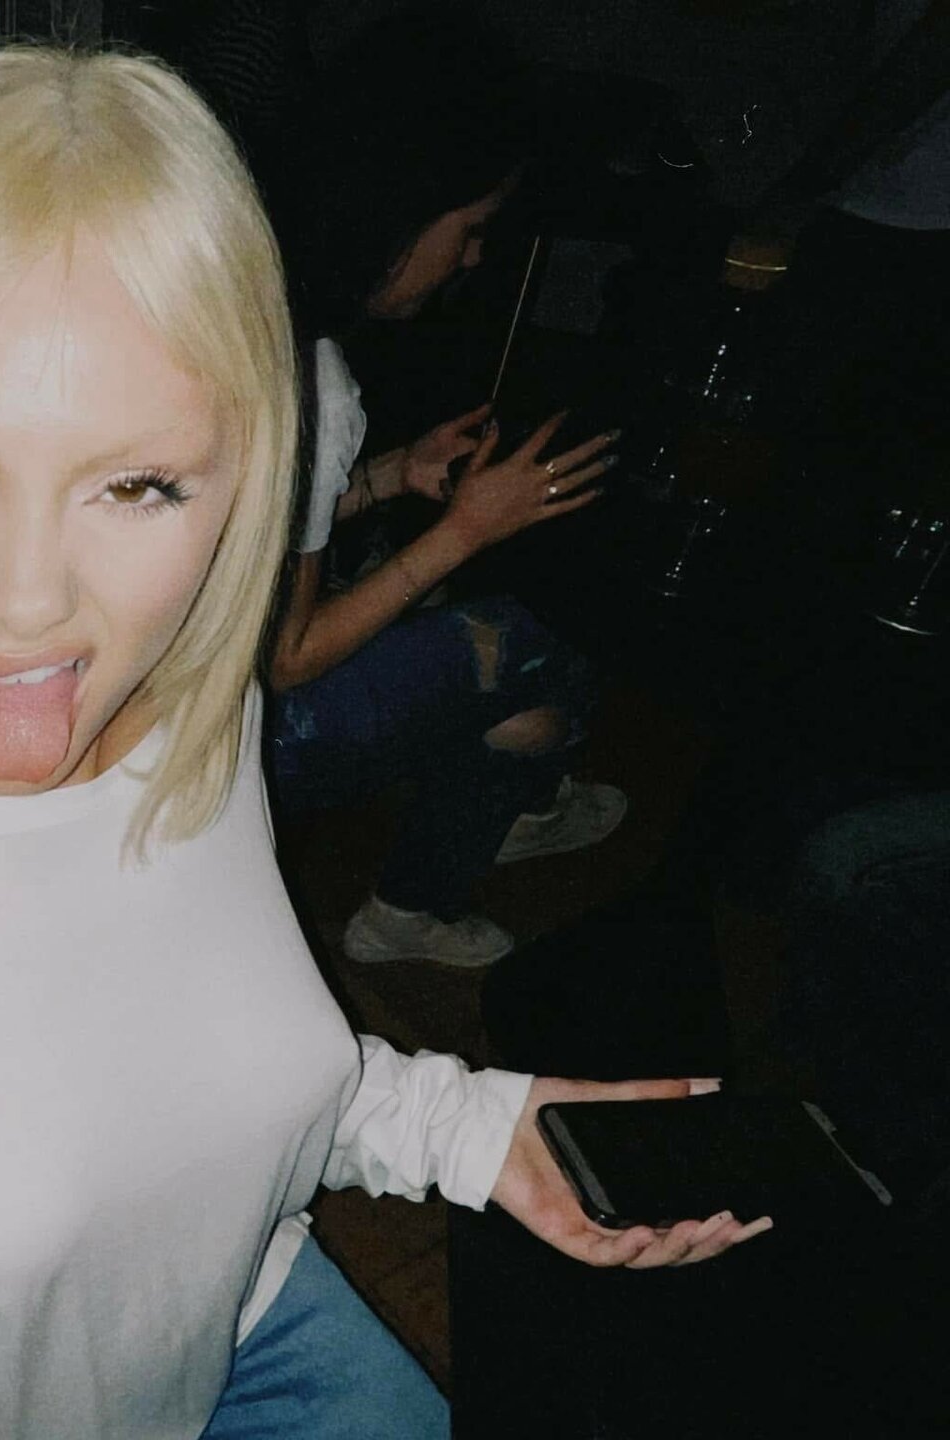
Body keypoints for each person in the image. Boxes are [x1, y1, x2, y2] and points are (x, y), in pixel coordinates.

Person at [0, 45, 766, 1440]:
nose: (26, 600)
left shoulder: (200, 719)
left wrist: (472, 1132)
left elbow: (207, 1075)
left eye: (135, 485)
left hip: (249, 1319)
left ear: (246, 480)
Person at [224, 8, 631, 967]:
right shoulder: (313, 381)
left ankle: (507, 793)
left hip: (154, 704)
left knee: (523, 715)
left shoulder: (231, 296)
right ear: (399, 208)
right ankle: (429, 889)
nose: (475, 257)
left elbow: (242, 528)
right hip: (235, 743)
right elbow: (289, 658)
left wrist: (387, 477)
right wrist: (464, 530)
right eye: (472, 228)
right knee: (537, 657)